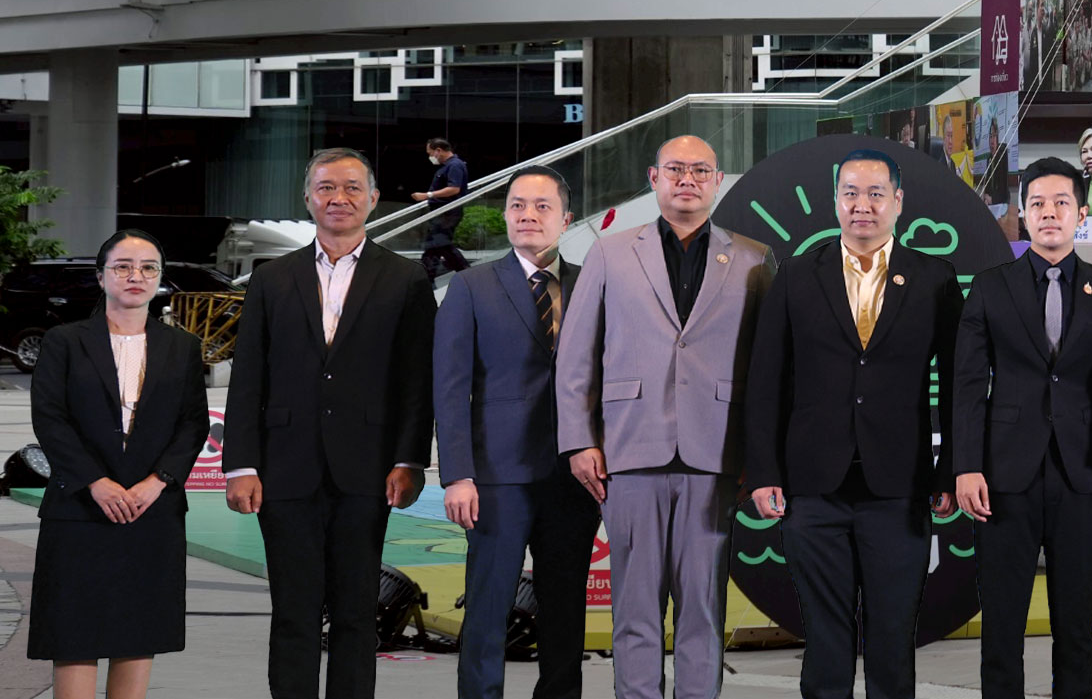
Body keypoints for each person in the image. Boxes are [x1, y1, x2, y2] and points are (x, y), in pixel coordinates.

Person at [557, 136, 772, 699]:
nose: (687, 179)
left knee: (703, 605)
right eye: (675, 169)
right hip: (628, 451)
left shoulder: (754, 257)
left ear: (717, 181)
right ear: (654, 178)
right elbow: (577, 355)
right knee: (635, 608)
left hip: (717, 453)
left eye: (700, 170)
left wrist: (759, 455)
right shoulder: (609, 252)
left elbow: (769, 366)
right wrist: (579, 440)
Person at [226, 148, 437, 699]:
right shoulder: (271, 278)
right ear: (307, 198)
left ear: (373, 198)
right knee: (293, 611)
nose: (338, 198)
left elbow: (417, 380)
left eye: (351, 188)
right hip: (283, 468)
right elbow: (248, 377)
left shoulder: (406, 278)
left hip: (368, 469)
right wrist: (240, 465)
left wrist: (410, 459)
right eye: (325, 188)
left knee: (356, 612)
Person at [748, 148, 959, 699]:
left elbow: (959, 384)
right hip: (814, 488)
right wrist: (764, 472)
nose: (862, 205)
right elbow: (766, 382)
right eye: (851, 194)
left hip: (900, 488)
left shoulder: (934, 277)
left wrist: (950, 470)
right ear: (836, 201)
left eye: (875, 194)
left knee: (893, 636)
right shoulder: (796, 275)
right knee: (824, 640)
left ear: (898, 201)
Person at [955, 158, 1092, 699]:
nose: (1049, 213)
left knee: (1076, 624)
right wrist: (966, 466)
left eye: (1061, 203)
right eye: (1037, 204)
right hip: (1003, 476)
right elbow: (967, 385)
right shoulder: (990, 288)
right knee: (1002, 623)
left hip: (1084, 474)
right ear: (1022, 214)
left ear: (1081, 213)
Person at [434, 166, 602, 699]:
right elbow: (450, 388)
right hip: (495, 477)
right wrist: (458, 474)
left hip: (574, 476)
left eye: (542, 206)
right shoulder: (470, 286)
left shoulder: (594, 283)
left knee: (565, 608)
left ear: (566, 219)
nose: (528, 215)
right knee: (488, 607)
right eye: (517, 205)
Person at [29, 229, 210, 699]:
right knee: (74, 633)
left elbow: (193, 423)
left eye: (148, 268)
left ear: (159, 278)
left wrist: (159, 481)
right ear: (101, 276)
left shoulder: (182, 346)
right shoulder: (65, 341)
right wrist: (94, 481)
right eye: (123, 266)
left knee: (138, 631)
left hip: (151, 510)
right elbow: (50, 418)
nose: (136, 276)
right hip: (80, 508)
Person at [411, 135, 473, 278]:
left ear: (438, 150)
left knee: (438, 244)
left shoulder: (455, 165)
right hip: (442, 212)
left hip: (448, 212)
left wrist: (428, 195)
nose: (430, 157)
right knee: (436, 246)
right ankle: (427, 279)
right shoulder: (448, 166)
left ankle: (467, 275)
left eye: (430, 153)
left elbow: (454, 189)